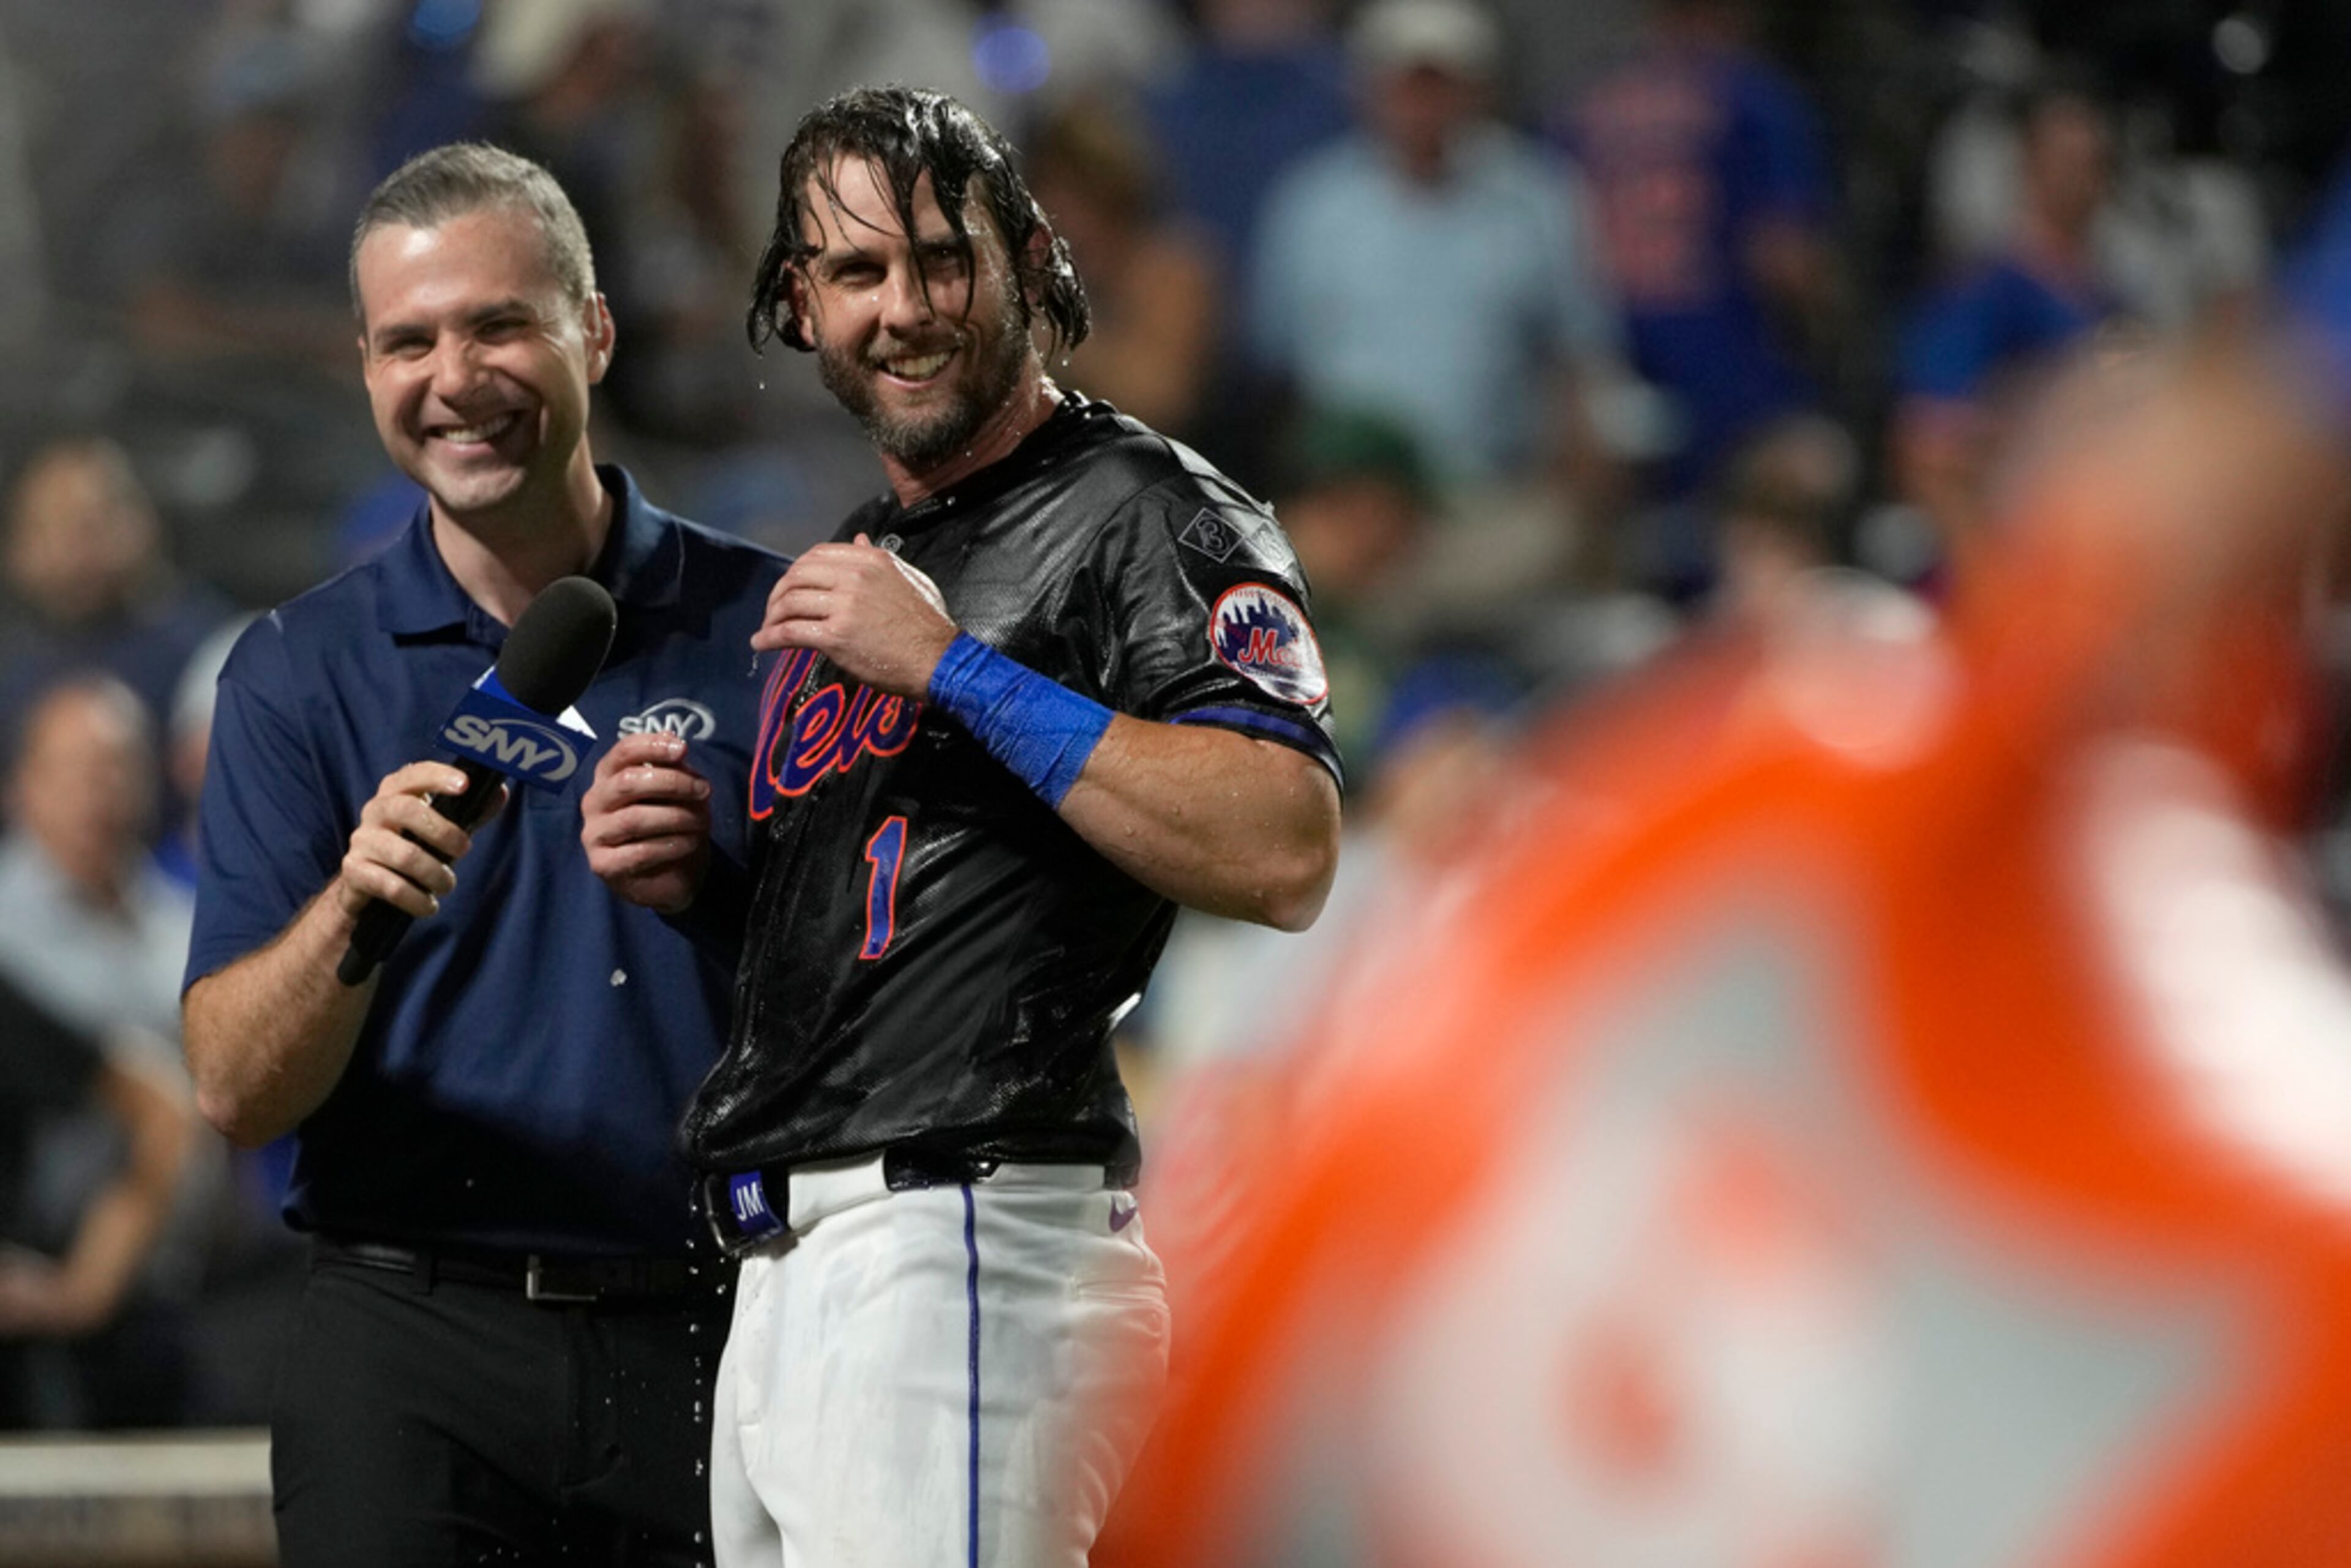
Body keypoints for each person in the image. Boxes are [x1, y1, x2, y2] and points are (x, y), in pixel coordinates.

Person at [583, 86, 1343, 1568]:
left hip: (971, 1240)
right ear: (800, 307)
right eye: (860, 274)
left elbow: (1286, 843)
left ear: (1031, 263)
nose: (908, 307)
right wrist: (700, 877)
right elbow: (894, 940)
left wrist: (950, 667)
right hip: (796, 1270)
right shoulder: (868, 562)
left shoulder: (1146, 504)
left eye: (945, 259)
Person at [179, 143, 783, 1566]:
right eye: (410, 340)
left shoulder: (773, 630)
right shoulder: (293, 672)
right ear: (369, 368)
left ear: (597, 332)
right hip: (408, 1351)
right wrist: (355, 905)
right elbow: (234, 1089)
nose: (456, 375)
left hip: (717, 1324)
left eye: (500, 323)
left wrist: (717, 888)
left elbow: (875, 1006)